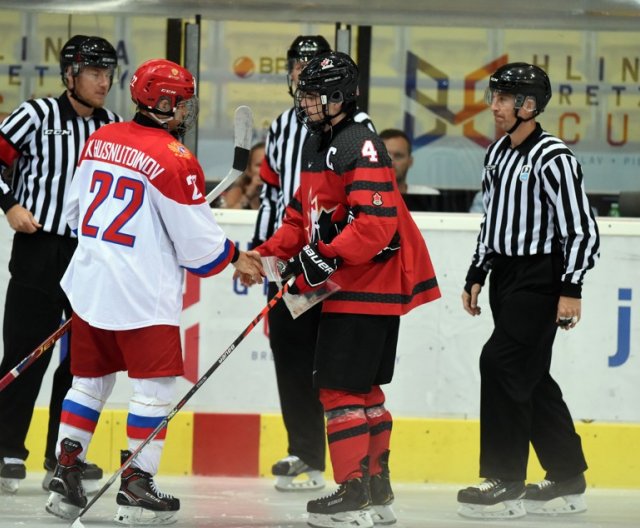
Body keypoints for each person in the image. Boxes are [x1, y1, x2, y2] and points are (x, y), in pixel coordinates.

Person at [43, 58, 263, 524]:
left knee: (89, 381)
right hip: (143, 295)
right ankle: (137, 484)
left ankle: (65, 471)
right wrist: (238, 259)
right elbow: (200, 249)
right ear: (164, 104)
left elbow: (75, 211)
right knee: (154, 388)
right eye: (182, 103)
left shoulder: (100, 139)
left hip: (91, 286)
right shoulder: (174, 158)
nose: (187, 111)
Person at [241, 51, 440, 528]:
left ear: (339, 96)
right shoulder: (319, 142)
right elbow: (299, 217)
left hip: (365, 285)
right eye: (302, 94)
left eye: (313, 95)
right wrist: (264, 256)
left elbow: (376, 225)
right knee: (364, 390)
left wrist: (324, 255)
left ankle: (352, 492)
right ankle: (375, 491)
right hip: (349, 285)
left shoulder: (360, 143)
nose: (304, 103)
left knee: (338, 389)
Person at [457, 62, 600, 519]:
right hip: (506, 277)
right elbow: (493, 220)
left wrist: (570, 287)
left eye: (502, 98)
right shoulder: (497, 153)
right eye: (494, 97)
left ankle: (506, 479)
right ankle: (566, 475)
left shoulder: (554, 157)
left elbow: (581, 229)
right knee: (530, 377)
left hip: (542, 278)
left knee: (499, 362)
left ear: (529, 106)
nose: (493, 106)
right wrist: (477, 272)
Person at [252, 35, 377, 493]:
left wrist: (323, 253)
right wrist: (264, 252)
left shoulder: (356, 131)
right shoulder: (290, 126)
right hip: (291, 254)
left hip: (332, 264)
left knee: (335, 369)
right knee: (290, 348)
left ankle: (357, 474)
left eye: (310, 67)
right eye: (296, 65)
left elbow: (365, 213)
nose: (300, 74)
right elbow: (276, 194)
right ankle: (305, 453)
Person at [0, 34, 121, 495]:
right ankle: (8, 449)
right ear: (70, 75)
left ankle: (62, 453)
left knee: (80, 360)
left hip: (88, 254)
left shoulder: (112, 125)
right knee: (26, 352)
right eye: (94, 72)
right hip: (38, 248)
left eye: (108, 73)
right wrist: (9, 205)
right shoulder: (36, 115)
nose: (103, 81)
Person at [379, 128, 438, 211]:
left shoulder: (429, 197)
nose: (391, 162)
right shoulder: (361, 198)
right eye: (385, 156)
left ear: (410, 161)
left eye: (398, 156)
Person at [223, 141, 265, 209]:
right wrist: (248, 196)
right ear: (249, 169)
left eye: (268, 165)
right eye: (259, 165)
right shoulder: (237, 192)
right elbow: (228, 216)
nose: (264, 170)